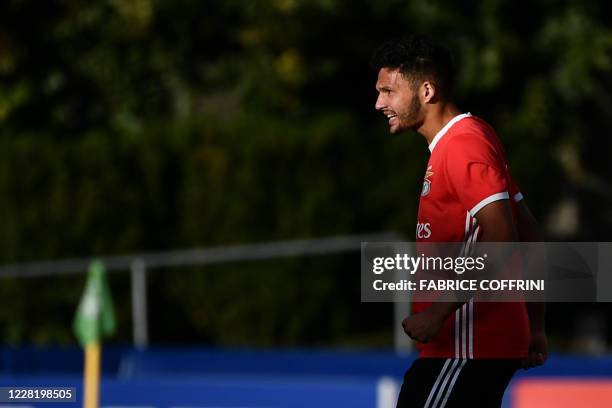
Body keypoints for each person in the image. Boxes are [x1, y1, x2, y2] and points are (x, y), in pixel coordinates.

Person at [371, 35, 547, 408]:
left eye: (388, 91)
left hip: (465, 348)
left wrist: (438, 311)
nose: (379, 103)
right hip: (473, 348)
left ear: (427, 90)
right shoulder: (469, 138)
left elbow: (504, 237)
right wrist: (534, 325)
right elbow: (529, 232)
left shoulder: (463, 144)